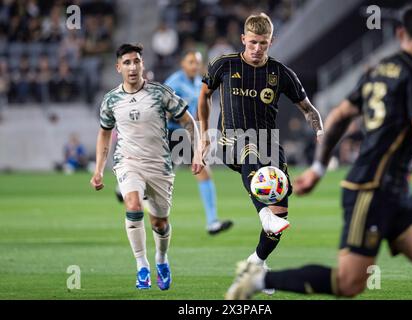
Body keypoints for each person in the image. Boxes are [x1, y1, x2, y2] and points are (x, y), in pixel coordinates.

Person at [225, 4, 412, 300]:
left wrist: (318, 168)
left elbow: (340, 114)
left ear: (399, 33)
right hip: (371, 189)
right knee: (349, 283)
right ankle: (258, 279)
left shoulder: (378, 69)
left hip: (395, 191)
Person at [198, 13, 323, 295]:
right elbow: (204, 95)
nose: (257, 49)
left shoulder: (281, 74)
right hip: (233, 142)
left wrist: (322, 134)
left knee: (282, 211)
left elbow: (309, 110)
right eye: (252, 42)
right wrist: (202, 137)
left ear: (271, 42)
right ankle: (263, 213)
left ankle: (257, 261)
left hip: (269, 144)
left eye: (263, 44)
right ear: (243, 39)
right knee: (251, 150)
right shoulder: (224, 65)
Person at [90, 43, 203, 290]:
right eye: (127, 62)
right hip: (128, 162)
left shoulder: (160, 93)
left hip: (159, 165)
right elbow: (104, 134)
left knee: (159, 223)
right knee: (132, 204)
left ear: (143, 64)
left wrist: (197, 153)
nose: (133, 67)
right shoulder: (111, 100)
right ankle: (142, 267)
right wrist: (98, 169)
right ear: (118, 67)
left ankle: (161, 259)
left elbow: (188, 120)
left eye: (137, 61)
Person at [165, 50, 233, 235]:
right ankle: (124, 189)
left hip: (183, 134)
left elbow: (197, 111)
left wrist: (201, 133)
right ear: (182, 63)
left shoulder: (198, 83)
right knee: (157, 179)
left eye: (197, 62)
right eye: (190, 62)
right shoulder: (173, 82)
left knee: (203, 172)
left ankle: (212, 222)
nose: (194, 65)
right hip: (166, 134)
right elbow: (161, 108)